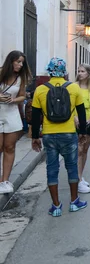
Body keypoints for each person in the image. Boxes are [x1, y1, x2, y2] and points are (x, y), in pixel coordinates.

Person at [30, 57, 88, 216]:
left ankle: (56, 206)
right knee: (72, 167)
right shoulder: (74, 88)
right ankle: (74, 201)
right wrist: (82, 132)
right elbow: (81, 113)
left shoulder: (40, 90)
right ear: (65, 72)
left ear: (49, 71)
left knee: (52, 169)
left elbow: (36, 117)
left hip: (49, 135)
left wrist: (35, 137)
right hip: (69, 133)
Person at [0, 51, 31, 194]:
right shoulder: (1, 73)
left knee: (10, 147)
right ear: (11, 61)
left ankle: (5, 180)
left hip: (11, 113)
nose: (20, 65)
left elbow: (22, 95)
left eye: (22, 62)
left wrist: (13, 100)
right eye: (18, 61)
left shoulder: (20, 78)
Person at [75, 65, 90, 194]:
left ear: (88, 74)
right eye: (79, 71)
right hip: (77, 122)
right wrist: (75, 118)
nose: (80, 73)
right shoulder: (74, 87)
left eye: (82, 71)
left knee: (85, 149)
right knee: (79, 150)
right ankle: (78, 181)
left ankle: (80, 175)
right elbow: (70, 105)